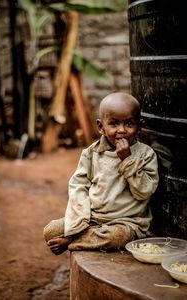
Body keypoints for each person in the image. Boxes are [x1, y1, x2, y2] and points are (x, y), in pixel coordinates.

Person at [43, 92, 159, 255]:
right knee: (50, 231)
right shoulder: (91, 153)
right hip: (92, 219)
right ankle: (84, 236)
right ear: (100, 126)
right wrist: (79, 221)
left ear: (139, 125)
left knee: (115, 237)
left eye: (129, 124)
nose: (122, 130)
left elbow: (144, 192)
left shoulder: (146, 154)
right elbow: (78, 186)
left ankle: (72, 242)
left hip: (127, 222)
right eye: (113, 124)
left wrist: (127, 160)